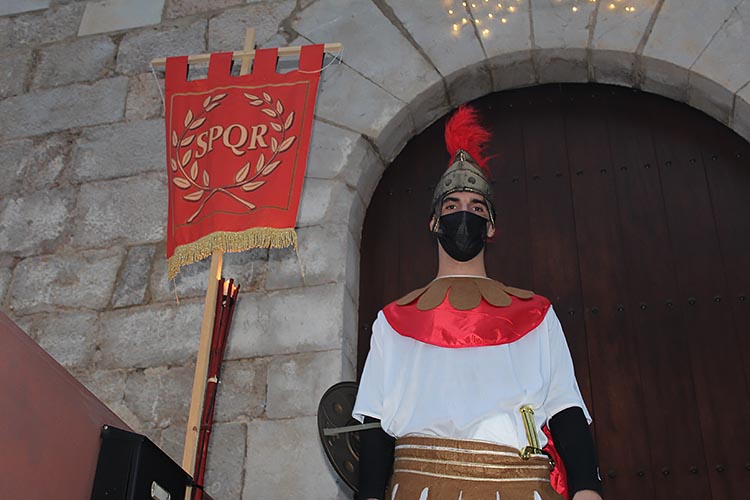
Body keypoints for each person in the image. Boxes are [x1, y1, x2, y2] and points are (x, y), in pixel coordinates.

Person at [352, 106, 603, 500]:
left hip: (521, 486)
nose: (464, 214)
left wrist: (587, 489)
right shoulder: (393, 320)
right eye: (451, 206)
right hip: (419, 487)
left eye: (476, 207)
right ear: (434, 222)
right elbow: (375, 422)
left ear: (490, 226)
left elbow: (564, 407)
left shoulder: (536, 314)